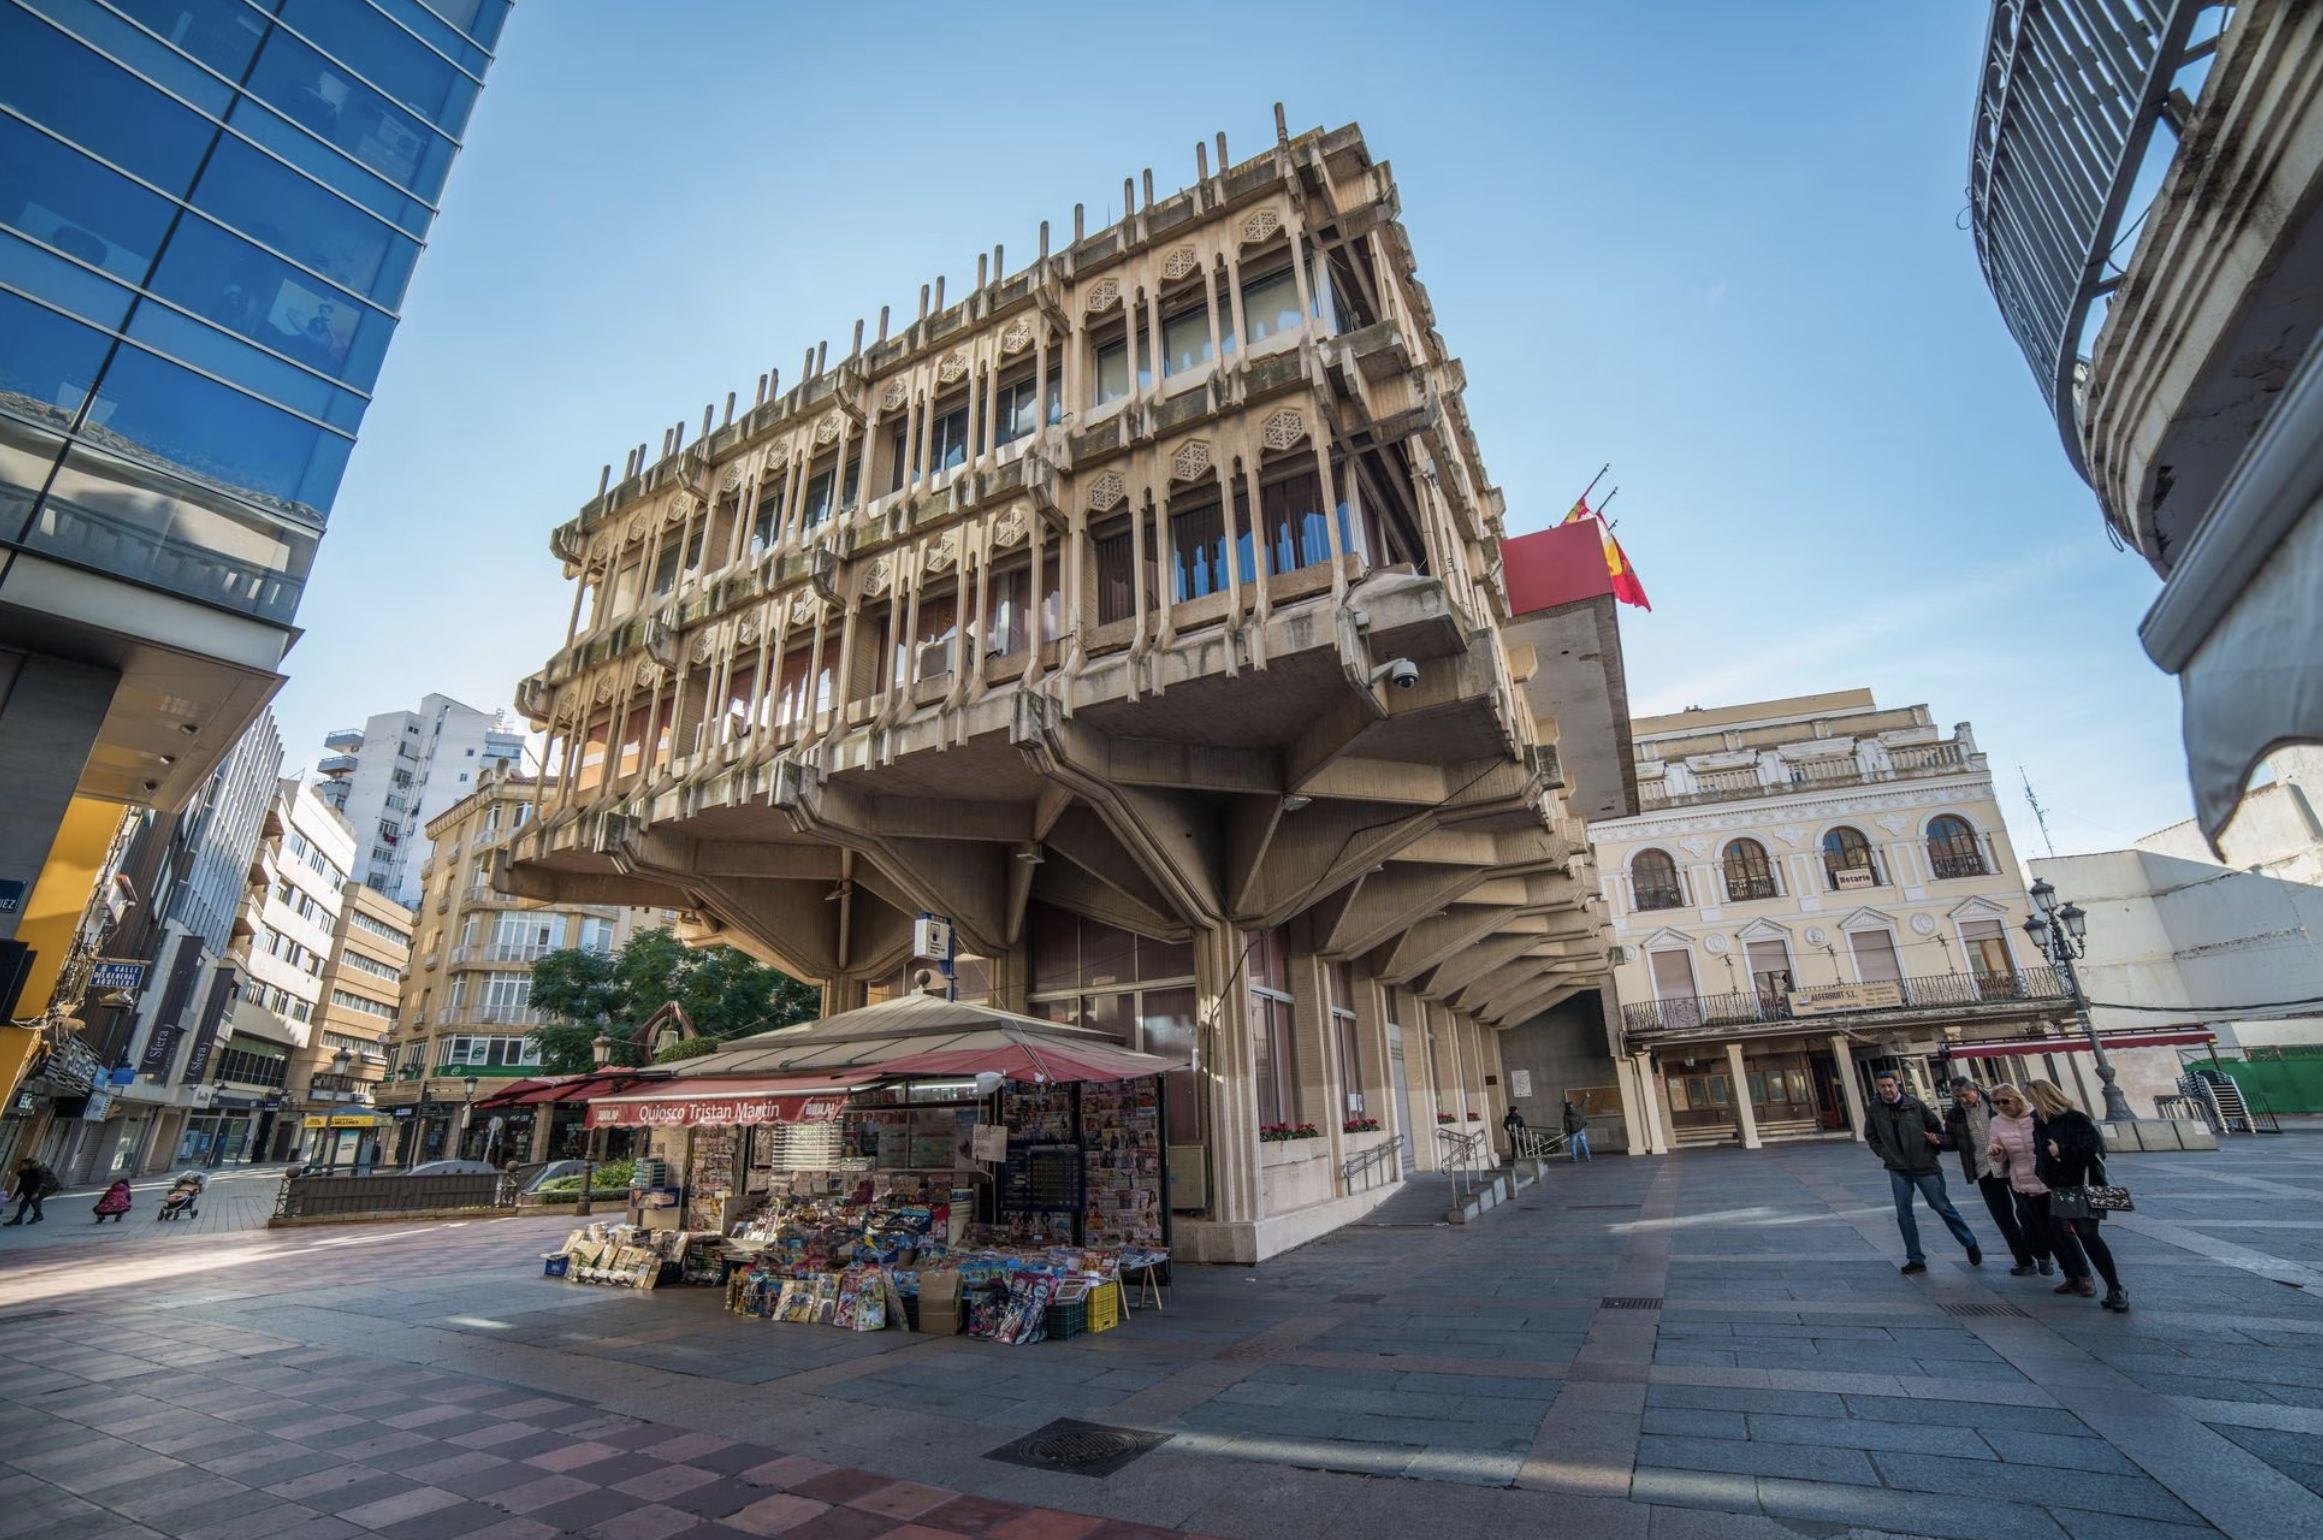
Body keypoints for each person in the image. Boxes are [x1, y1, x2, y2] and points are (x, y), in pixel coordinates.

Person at [2025, 1079, 2128, 1311]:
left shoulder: (2076, 1119)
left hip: (2086, 1184)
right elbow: (2041, 1153)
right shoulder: (2040, 1123)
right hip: (2061, 1187)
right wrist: (2045, 1173)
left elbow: (2095, 1150)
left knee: (2088, 1233)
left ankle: (2115, 1287)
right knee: (2072, 1234)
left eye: (2033, 1099)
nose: (2031, 1104)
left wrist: (2061, 1151)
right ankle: (2094, 1281)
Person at [1864, 1070, 1981, 1274]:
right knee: (1903, 1213)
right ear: (1877, 1087)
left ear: (1897, 1085)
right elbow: (1871, 1135)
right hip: (1897, 1167)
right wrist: (1884, 1153)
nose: (1887, 1089)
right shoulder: (1875, 1109)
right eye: (1882, 1086)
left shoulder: (1914, 1104)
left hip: (1925, 1165)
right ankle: (1915, 1257)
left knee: (1941, 1205)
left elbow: (1936, 1128)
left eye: (1890, 1085)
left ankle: (1968, 1241)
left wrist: (1931, 1151)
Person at [1942, 1077, 2035, 1274]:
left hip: (2013, 1166)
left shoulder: (1996, 1103)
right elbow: (1952, 1141)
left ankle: (2040, 1253)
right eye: (1958, 1097)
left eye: (1965, 1095)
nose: (1963, 1100)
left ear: (1974, 1089)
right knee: (2003, 1217)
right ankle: (2024, 1260)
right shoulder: (1955, 1114)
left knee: (2027, 1213)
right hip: (1985, 1170)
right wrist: (1939, 1140)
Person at [1982, 1083, 2057, 1279]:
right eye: (1997, 1103)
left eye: (2005, 1101)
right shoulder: (1997, 1122)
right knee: (2030, 1222)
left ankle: (2076, 1273)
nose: (2001, 1105)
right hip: (2020, 1180)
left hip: (2047, 1179)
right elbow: (1995, 1143)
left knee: (2057, 1227)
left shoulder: (2036, 1116)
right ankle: (2042, 1256)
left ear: (2017, 1098)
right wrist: (1995, 1151)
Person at [4, 1157, 58, 1225]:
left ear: (28, 1165)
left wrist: (36, 1192)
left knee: (34, 1199)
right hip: (38, 1187)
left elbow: (40, 1182)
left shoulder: (38, 1170)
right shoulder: (25, 1173)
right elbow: (22, 1185)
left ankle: (37, 1216)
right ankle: (20, 1219)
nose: (20, 1166)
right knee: (27, 1200)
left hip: (50, 1186)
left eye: (22, 1165)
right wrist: (15, 1195)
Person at [1561, 1098, 1592, 1162]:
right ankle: (1588, 1158)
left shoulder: (1566, 1115)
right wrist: (1586, 1097)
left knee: (1573, 1145)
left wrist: (1567, 1133)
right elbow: (1582, 1105)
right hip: (1581, 1129)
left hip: (1573, 1132)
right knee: (1584, 1143)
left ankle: (1574, 1158)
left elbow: (1566, 1126)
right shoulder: (1577, 1109)